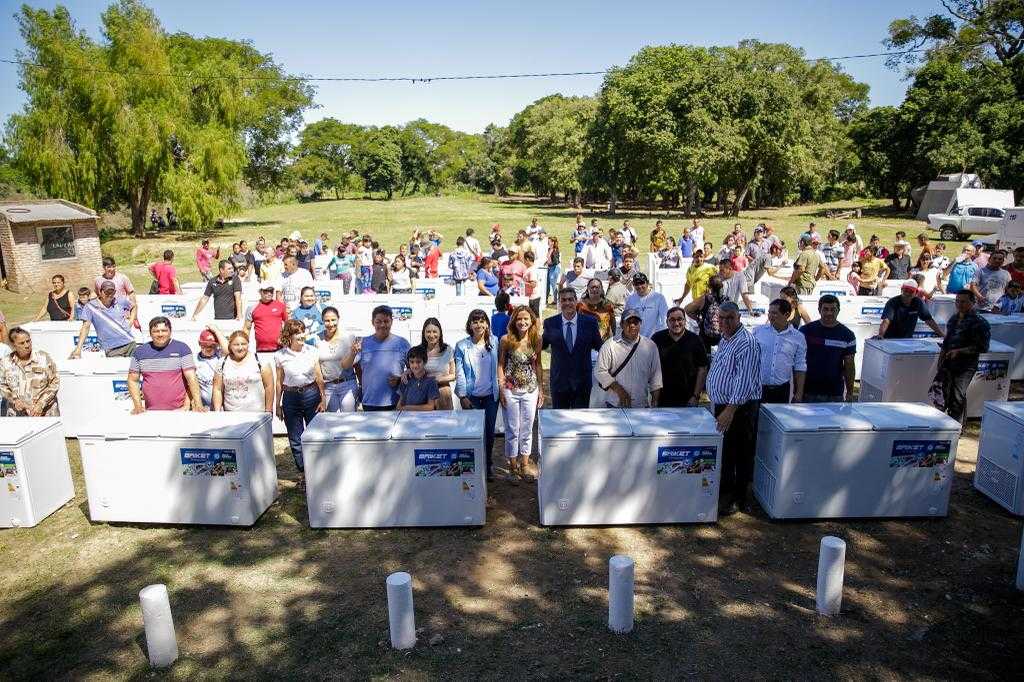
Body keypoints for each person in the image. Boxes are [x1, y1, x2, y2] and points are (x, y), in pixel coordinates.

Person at [705, 302, 762, 515]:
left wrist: (729, 410)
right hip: (723, 405)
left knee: (740, 453)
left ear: (739, 317)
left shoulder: (746, 343)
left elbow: (744, 381)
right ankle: (727, 493)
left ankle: (736, 498)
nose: (725, 322)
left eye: (730, 318)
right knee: (727, 451)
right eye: (722, 318)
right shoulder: (726, 338)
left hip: (739, 408)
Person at [274, 320, 327, 472]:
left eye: (303, 331)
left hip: (311, 394)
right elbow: (279, 382)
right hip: (291, 397)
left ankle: (317, 469)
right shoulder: (280, 355)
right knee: (295, 437)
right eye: (297, 332)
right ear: (289, 336)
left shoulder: (312, 351)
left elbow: (318, 376)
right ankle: (304, 471)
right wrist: (278, 405)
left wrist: (323, 398)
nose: (301, 335)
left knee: (315, 433)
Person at [497, 306, 543, 480]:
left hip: (531, 389)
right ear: (514, 321)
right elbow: (500, 365)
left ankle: (525, 464)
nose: (522, 322)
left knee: (527, 428)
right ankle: (513, 467)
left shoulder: (536, 339)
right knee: (512, 429)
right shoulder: (506, 340)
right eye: (519, 319)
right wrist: (501, 388)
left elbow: (537, 364)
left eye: (526, 319)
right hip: (510, 389)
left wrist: (541, 389)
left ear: (531, 321)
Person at [455, 309, 500, 478]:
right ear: (470, 325)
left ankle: (488, 465)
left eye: (482, 321)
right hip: (471, 396)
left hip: (490, 396)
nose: (479, 324)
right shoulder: (462, 346)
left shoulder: (495, 342)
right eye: (475, 321)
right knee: (472, 433)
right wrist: (462, 396)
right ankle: (473, 467)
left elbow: (500, 368)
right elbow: (460, 373)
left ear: (487, 324)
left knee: (489, 433)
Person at [542, 288, 603, 408]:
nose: (567, 303)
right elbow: (542, 345)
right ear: (559, 302)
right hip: (559, 383)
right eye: (564, 300)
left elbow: (599, 346)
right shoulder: (550, 323)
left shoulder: (590, 322)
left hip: (582, 384)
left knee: (581, 422)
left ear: (576, 301)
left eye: (570, 299)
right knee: (559, 423)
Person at [935, 290, 991, 423]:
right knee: (946, 393)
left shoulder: (980, 322)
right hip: (948, 362)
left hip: (966, 365)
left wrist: (959, 351)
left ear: (972, 302)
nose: (960, 304)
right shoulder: (953, 319)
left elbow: (982, 347)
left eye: (964, 301)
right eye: (957, 301)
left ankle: (956, 425)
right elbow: (946, 342)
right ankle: (948, 423)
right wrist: (940, 360)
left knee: (958, 394)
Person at [128, 317, 205, 413]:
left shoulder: (182, 349)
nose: (160, 334)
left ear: (170, 331)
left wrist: (198, 404)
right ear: (150, 333)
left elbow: (191, 378)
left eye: (164, 330)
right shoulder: (139, 352)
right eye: (156, 331)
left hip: (180, 411)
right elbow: (132, 380)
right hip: (151, 412)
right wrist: (138, 406)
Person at [594, 307, 662, 409]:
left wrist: (655, 401)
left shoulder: (651, 346)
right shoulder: (610, 345)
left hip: (641, 406)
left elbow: (656, 377)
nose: (632, 326)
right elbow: (600, 371)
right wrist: (619, 389)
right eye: (628, 322)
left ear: (640, 324)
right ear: (621, 324)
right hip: (615, 405)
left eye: (636, 322)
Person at [800, 295, 856, 402]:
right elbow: (796, 360)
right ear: (819, 310)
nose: (829, 313)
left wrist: (850, 392)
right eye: (825, 309)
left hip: (834, 393)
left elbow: (849, 366)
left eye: (833, 309)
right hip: (808, 391)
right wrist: (798, 391)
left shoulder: (848, 335)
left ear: (838, 310)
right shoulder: (805, 331)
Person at [357, 306, 411, 411]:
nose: (382, 325)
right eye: (378, 321)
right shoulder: (363, 343)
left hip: (396, 401)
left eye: (386, 321)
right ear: (372, 322)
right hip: (369, 402)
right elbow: (353, 366)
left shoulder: (402, 343)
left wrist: (400, 379)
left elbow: (413, 369)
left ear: (391, 322)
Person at [753, 299, 807, 404]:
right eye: (769, 312)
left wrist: (799, 393)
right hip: (757, 388)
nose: (770, 316)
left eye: (774, 313)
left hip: (782, 390)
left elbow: (800, 366)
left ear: (786, 314)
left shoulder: (798, 337)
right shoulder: (758, 332)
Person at [651, 307, 708, 407]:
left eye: (679, 319)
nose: (676, 323)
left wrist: (696, 396)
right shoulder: (657, 338)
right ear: (667, 321)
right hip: (662, 399)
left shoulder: (695, 340)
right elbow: (651, 368)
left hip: (688, 399)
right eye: (672, 320)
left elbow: (702, 369)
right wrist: (654, 398)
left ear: (685, 321)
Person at [0, 327, 59, 416]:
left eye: (28, 341)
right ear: (13, 345)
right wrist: (14, 400)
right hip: (18, 415)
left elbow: (55, 382)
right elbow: (2, 385)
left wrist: (41, 404)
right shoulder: (5, 362)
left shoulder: (43, 358)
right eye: (22, 343)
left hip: (45, 413)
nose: (27, 345)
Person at [71, 280, 137, 358]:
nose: (109, 295)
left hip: (130, 343)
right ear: (100, 292)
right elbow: (85, 327)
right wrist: (78, 349)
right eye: (107, 292)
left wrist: (130, 322)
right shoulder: (90, 306)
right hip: (112, 348)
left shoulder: (120, 301)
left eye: (112, 292)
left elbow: (134, 306)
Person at [213, 330, 274, 413]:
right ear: (230, 346)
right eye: (236, 345)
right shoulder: (222, 363)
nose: (240, 348)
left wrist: (268, 411)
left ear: (248, 344)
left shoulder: (260, 361)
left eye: (243, 344)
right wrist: (217, 411)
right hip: (231, 415)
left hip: (257, 415)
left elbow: (269, 386)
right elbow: (217, 389)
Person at [877, 281, 944, 339]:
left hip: (907, 339)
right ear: (901, 290)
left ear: (916, 293)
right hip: (890, 338)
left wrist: (942, 335)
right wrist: (881, 334)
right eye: (906, 290)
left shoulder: (918, 302)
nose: (907, 294)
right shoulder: (892, 302)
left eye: (911, 291)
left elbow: (929, 320)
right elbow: (886, 321)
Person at [415, 317, 456, 410]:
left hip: (443, 393)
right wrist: (407, 372)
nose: (431, 335)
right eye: (428, 332)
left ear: (440, 333)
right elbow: (413, 369)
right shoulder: (418, 351)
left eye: (435, 331)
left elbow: (453, 375)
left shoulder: (448, 350)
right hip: (423, 392)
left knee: (444, 422)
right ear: (424, 333)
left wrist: (438, 379)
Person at [684, 275, 727, 352]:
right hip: (723, 335)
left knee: (705, 358)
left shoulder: (704, 298)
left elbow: (687, 309)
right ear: (722, 286)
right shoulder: (726, 299)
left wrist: (698, 319)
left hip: (706, 335)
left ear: (709, 286)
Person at [244, 283, 288, 353]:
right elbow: (246, 328)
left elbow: (288, 323)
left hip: (280, 348)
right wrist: (244, 346)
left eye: (271, 291)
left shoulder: (280, 306)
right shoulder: (252, 308)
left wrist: (285, 338)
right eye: (266, 291)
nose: (269, 293)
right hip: (261, 350)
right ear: (260, 292)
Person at [194, 327, 229, 409]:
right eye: (205, 345)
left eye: (212, 345)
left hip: (222, 406)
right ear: (199, 343)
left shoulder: (220, 356)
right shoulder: (194, 360)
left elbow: (228, 350)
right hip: (204, 407)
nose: (208, 348)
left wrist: (216, 330)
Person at [395, 347, 440, 412]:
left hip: (425, 417)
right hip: (406, 416)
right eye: (412, 362)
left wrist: (407, 408)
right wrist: (404, 408)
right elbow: (399, 406)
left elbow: (430, 407)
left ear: (425, 362)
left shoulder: (431, 381)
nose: (415, 365)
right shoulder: (406, 379)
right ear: (408, 363)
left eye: (418, 362)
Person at [624, 273, 669, 338]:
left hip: (654, 338)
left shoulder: (659, 297)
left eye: (642, 283)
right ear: (633, 285)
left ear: (647, 283)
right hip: (636, 339)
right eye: (636, 284)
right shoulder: (630, 299)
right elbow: (626, 319)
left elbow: (665, 318)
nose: (639, 286)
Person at [545, 236, 562, 305]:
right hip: (550, 268)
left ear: (552, 242)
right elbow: (549, 258)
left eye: (549, 241)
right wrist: (546, 262)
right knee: (548, 284)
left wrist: (549, 263)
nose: (548, 242)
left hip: (554, 268)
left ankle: (556, 300)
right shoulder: (549, 249)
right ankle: (546, 299)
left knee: (553, 285)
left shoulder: (555, 250)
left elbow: (556, 261)